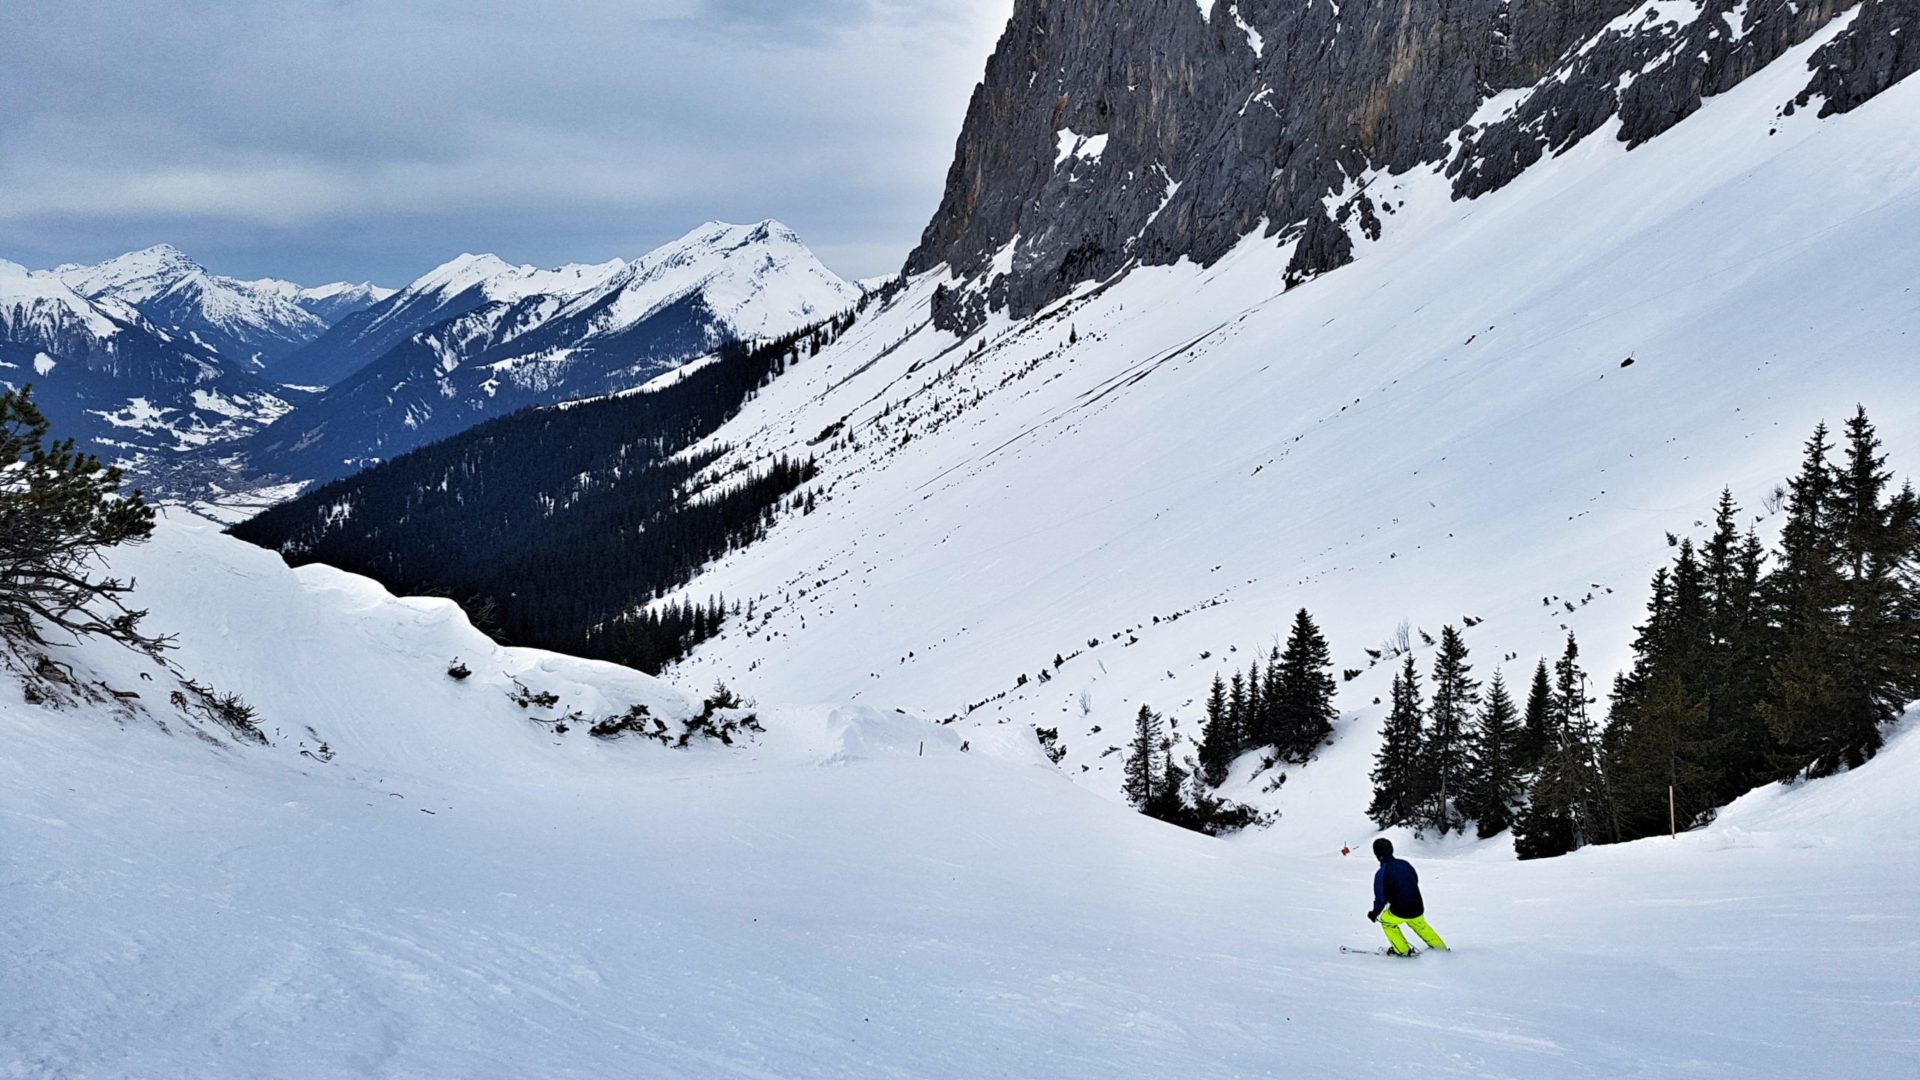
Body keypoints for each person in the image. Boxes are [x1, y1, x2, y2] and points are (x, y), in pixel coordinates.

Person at [1367, 838, 1448, 957]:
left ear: (1377, 855)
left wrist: (1374, 913)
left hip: (1400, 910)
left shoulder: (1382, 872)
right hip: (1417, 906)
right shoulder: (1405, 864)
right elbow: (1414, 880)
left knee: (1386, 922)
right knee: (1419, 924)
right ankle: (1441, 949)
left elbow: (1381, 897)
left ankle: (1402, 950)